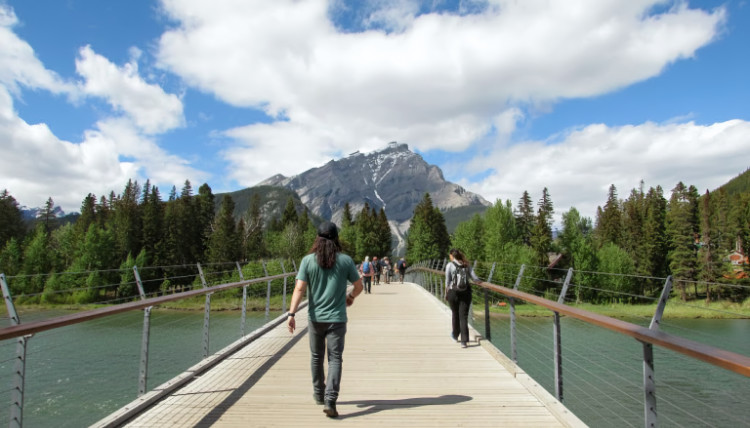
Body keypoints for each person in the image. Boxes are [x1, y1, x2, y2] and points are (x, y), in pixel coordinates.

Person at [287, 222, 364, 418]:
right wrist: (350, 297)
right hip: (337, 319)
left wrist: (291, 314)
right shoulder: (345, 261)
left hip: (315, 319)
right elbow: (359, 285)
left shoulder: (307, 261)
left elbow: (299, 289)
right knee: (335, 358)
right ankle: (330, 399)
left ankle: (319, 394)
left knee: (316, 356)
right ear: (336, 238)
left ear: (317, 239)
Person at [444, 248, 479, 348]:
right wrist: (479, 281)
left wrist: (446, 294)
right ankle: (464, 341)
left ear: (452, 256)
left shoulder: (449, 265)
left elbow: (447, 281)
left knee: (455, 314)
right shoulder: (466, 264)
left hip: (453, 293)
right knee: (463, 316)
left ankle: (455, 335)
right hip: (465, 292)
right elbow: (474, 277)